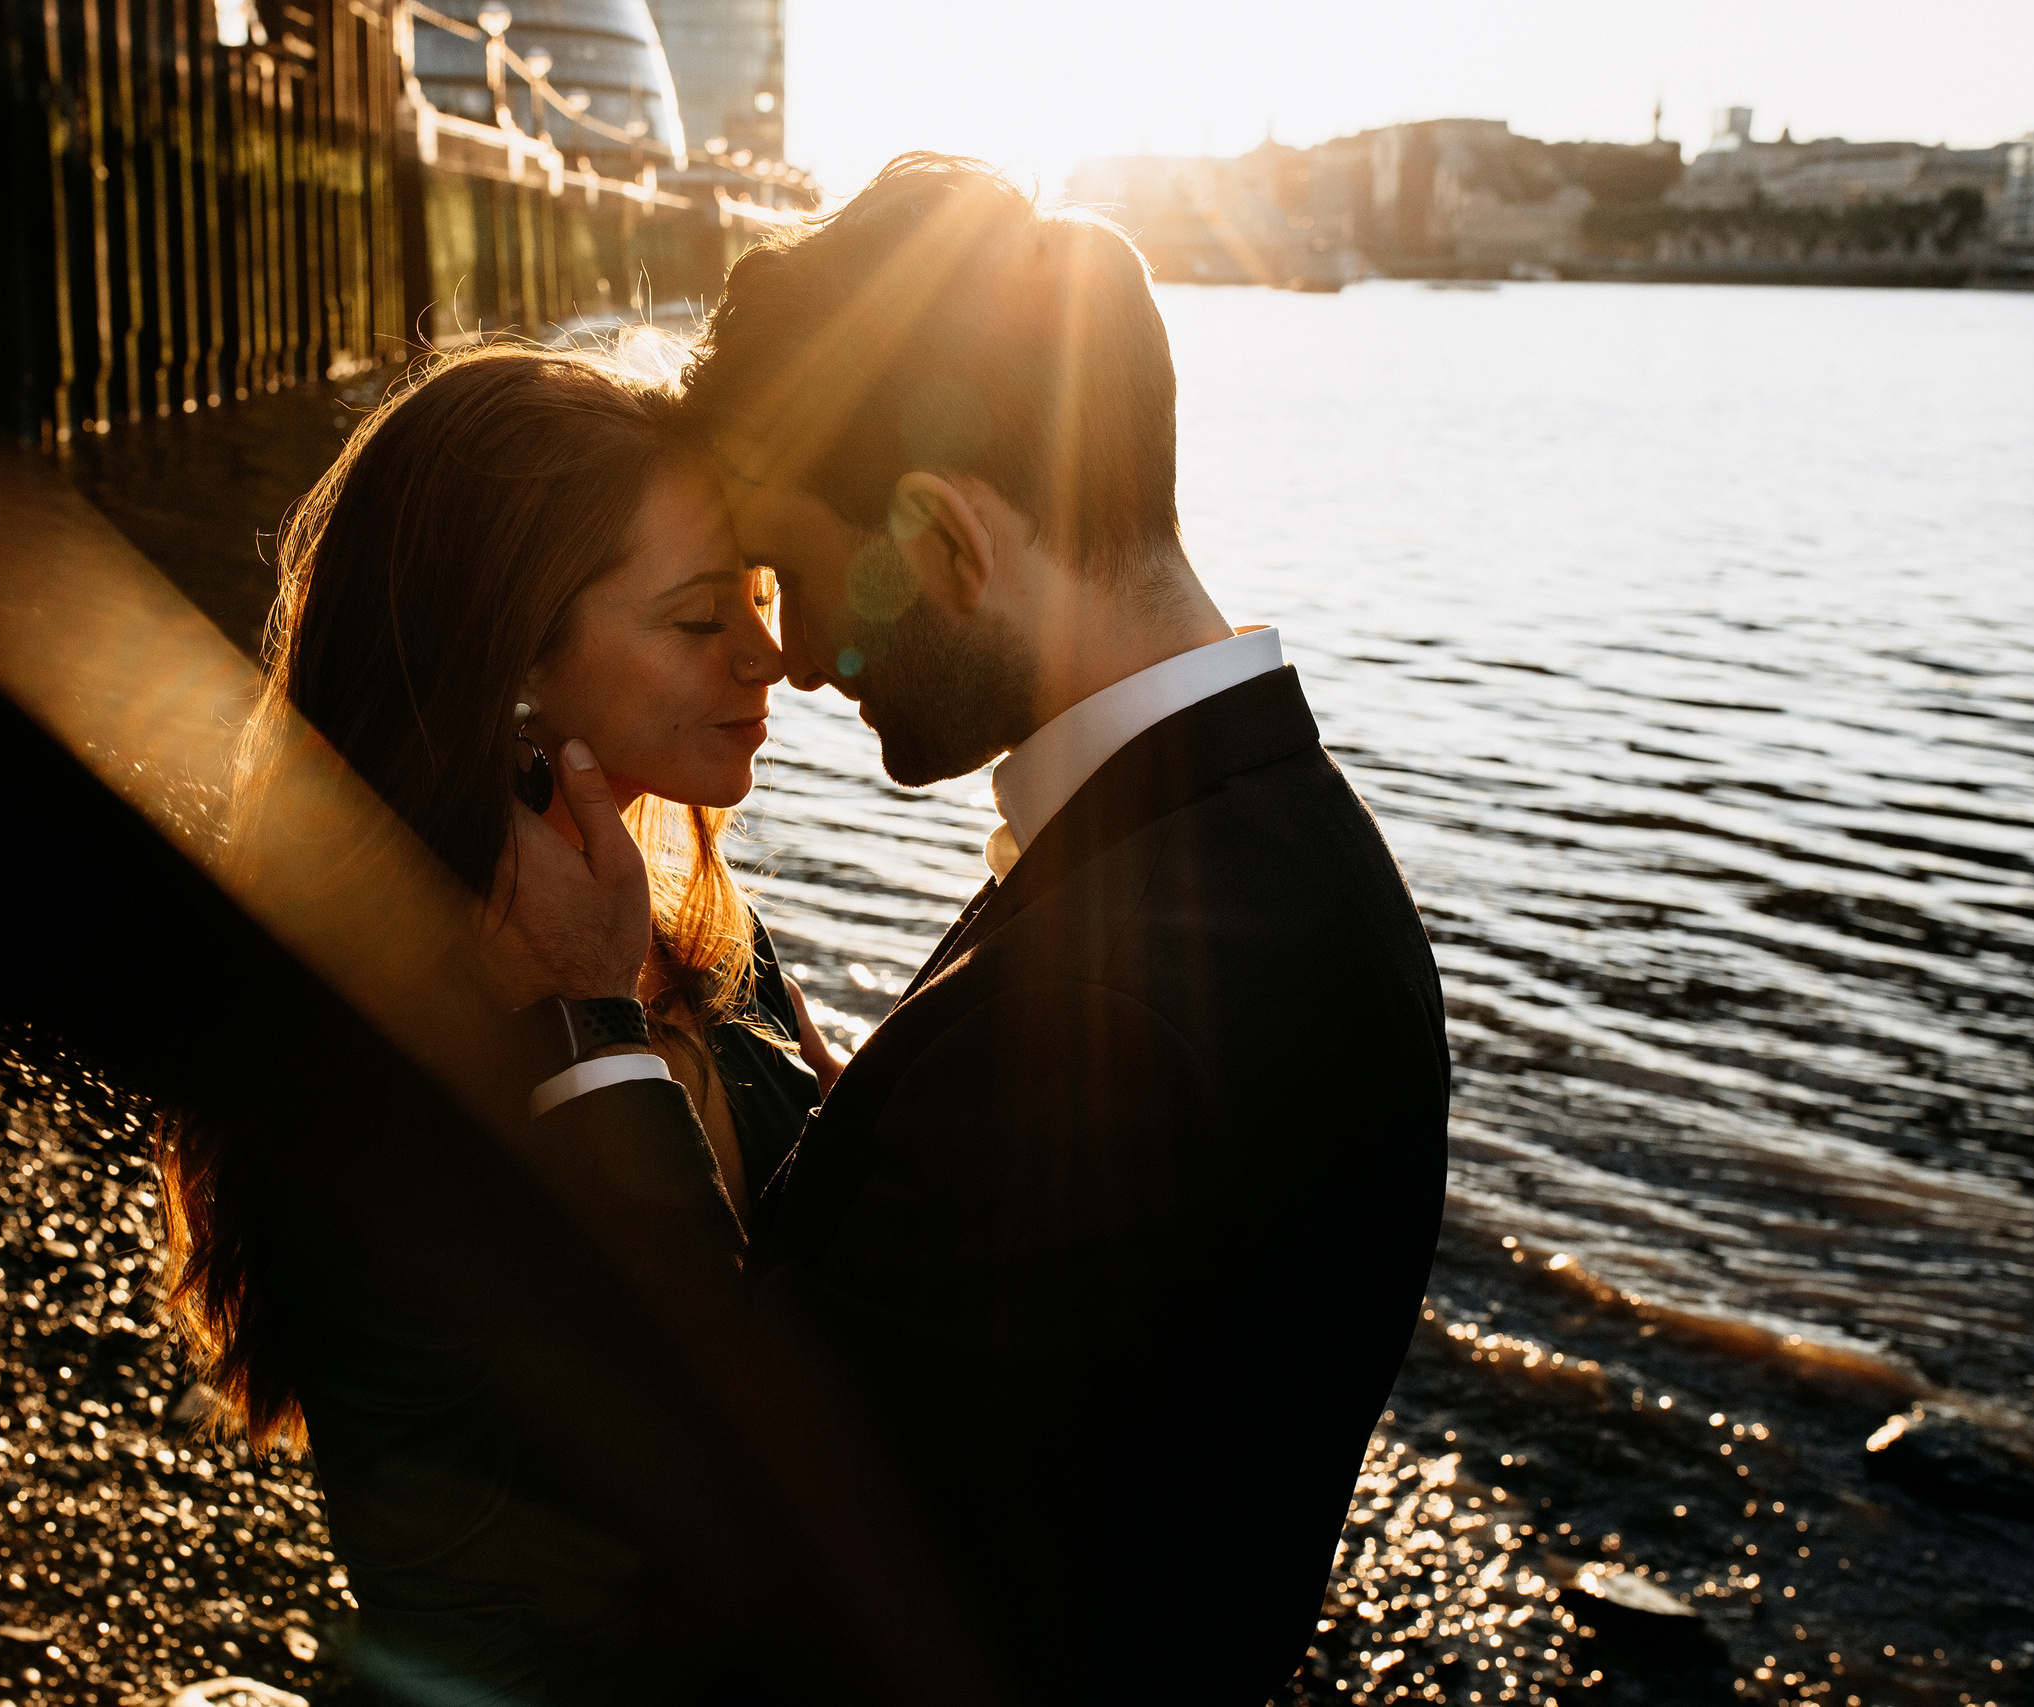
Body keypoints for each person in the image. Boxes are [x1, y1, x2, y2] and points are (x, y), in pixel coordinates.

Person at [502, 156, 1452, 1702]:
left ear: (946, 540)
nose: (802, 655)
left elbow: (754, 1509)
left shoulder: (1099, 1008)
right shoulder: (1293, 856)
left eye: (802, 578)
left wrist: (596, 1030)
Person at [155, 345, 837, 1702]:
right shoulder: (384, 1064)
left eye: (759, 598)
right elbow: (455, 1611)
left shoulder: (682, 923)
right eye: (701, 618)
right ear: (511, 655)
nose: (774, 659)